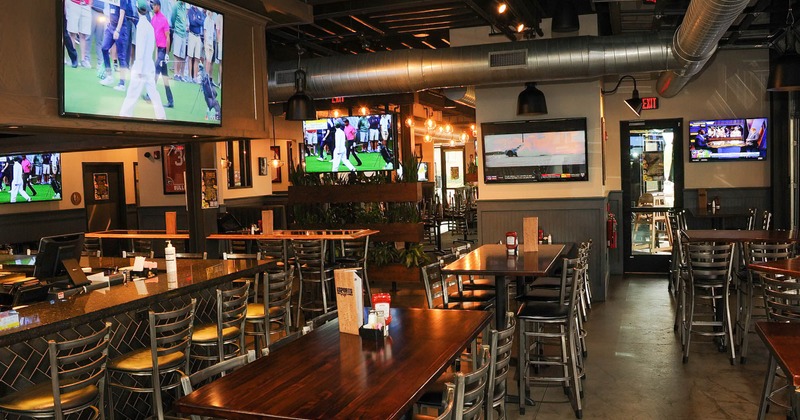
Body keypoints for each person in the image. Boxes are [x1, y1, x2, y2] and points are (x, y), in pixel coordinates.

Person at [119, 0, 166, 120]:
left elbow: (140, 50)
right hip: (149, 66)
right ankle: (162, 117)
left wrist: (138, 69)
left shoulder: (141, 26)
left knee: (132, 94)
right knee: (154, 95)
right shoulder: (149, 26)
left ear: (137, 9)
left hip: (142, 68)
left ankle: (124, 116)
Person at [99, 0, 132, 91]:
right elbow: (110, 10)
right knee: (104, 48)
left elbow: (122, 13)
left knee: (121, 56)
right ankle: (109, 76)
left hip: (121, 29)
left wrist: (117, 30)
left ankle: (122, 84)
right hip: (111, 27)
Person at [151, 0, 174, 108]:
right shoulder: (153, 19)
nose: (153, 6)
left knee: (156, 69)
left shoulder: (164, 20)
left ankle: (150, 95)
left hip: (163, 50)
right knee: (164, 77)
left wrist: (167, 53)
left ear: (158, 6)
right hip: (158, 49)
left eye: (154, 5)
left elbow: (168, 37)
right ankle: (170, 101)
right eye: (152, 5)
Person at [66, 0, 93, 68]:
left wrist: (90, 4)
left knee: (83, 34)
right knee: (73, 33)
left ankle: (83, 60)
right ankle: (73, 58)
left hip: (85, 5)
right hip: (74, 3)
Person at [170, 1, 188, 82]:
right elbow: (173, 18)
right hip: (178, 32)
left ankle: (180, 74)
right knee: (177, 54)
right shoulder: (176, 6)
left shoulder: (184, 6)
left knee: (181, 55)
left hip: (184, 34)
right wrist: (176, 26)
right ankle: (176, 74)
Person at [186, 5, 205, 83]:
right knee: (190, 56)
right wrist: (198, 20)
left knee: (197, 58)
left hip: (198, 36)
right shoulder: (190, 10)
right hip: (192, 34)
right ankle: (190, 76)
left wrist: (196, 19)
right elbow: (191, 22)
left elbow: (202, 22)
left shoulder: (199, 12)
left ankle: (195, 77)